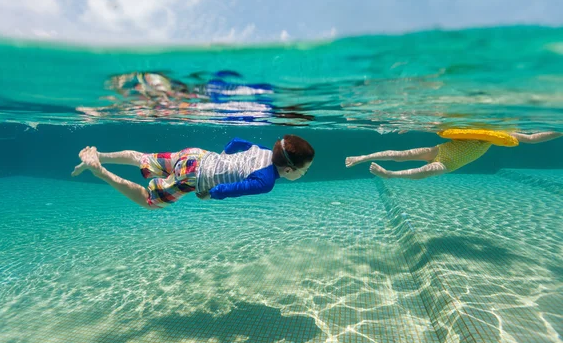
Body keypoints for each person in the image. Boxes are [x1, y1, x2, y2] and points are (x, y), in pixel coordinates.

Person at [71, 135, 314, 209]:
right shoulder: (266, 181)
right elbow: (231, 190)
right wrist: (210, 194)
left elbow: (237, 142)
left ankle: (98, 154)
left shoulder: (263, 149)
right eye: (304, 170)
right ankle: (100, 170)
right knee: (149, 201)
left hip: (197, 155)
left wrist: (223, 157)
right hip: (194, 177)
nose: (304, 174)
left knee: (142, 158)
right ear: (290, 169)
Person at [345, 131, 562, 180]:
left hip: (451, 162)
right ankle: (362, 157)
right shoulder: (467, 124)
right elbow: (441, 123)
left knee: (423, 172)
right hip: (442, 149)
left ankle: (390, 175)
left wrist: (559, 130)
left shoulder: (499, 133)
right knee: (401, 154)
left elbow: (532, 138)